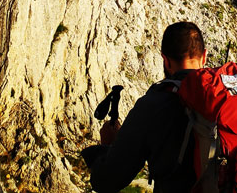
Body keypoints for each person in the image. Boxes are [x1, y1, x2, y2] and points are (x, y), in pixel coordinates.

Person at [83, 22, 206, 193]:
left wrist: (109, 146)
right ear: (205, 56)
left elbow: (106, 181)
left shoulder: (154, 105)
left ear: (165, 60)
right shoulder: (228, 99)